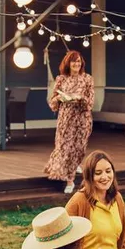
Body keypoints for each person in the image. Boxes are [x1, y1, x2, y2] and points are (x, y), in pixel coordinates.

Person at [65, 150, 125, 249]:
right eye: (98, 173)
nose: (105, 177)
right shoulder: (79, 201)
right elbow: (65, 245)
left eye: (108, 171)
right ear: (89, 176)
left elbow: (123, 239)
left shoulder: (117, 198)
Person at [45, 51, 95, 194]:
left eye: (79, 61)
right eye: (74, 61)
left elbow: (90, 103)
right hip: (65, 120)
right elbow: (52, 103)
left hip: (82, 120)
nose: (77, 64)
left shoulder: (87, 79)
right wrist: (60, 99)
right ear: (68, 63)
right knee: (65, 148)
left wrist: (80, 98)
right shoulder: (61, 79)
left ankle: (73, 172)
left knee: (78, 149)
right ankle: (65, 177)